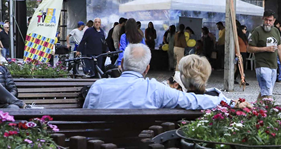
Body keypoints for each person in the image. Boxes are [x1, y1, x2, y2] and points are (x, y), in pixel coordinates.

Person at [84, 44, 235, 110]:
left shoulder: (99, 86)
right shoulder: (156, 89)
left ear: (122, 63)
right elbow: (193, 100)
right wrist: (229, 102)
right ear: (147, 69)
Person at [248, 10, 281, 101]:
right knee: (268, 94)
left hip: (273, 65)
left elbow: (280, 48)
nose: (267, 23)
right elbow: (249, 48)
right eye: (266, 20)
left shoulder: (276, 31)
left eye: (270, 20)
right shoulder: (257, 31)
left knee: (266, 91)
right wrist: (265, 49)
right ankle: (269, 112)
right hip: (262, 65)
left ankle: (256, 109)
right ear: (262, 19)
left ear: (274, 20)